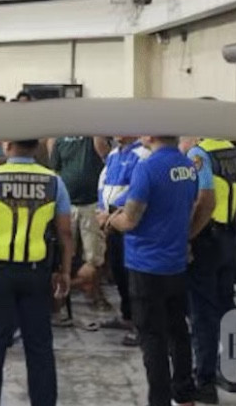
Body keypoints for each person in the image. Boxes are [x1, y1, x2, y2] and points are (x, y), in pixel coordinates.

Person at [0, 140, 72, 406]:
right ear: (35, 147)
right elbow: (65, 232)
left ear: (8, 145)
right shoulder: (54, 181)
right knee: (39, 347)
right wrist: (64, 271)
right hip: (36, 274)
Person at [105, 136, 214, 406]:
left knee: (152, 338)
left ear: (152, 134)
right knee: (178, 330)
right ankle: (184, 394)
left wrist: (110, 220)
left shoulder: (147, 168)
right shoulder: (187, 166)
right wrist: (186, 235)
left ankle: (160, 399)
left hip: (146, 265)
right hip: (175, 263)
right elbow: (200, 204)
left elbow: (131, 219)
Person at [185, 134, 236, 402]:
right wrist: (232, 223)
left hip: (207, 240)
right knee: (226, 304)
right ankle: (230, 371)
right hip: (229, 238)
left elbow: (205, 200)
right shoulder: (232, 152)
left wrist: (189, 236)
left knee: (202, 312)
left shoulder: (199, 154)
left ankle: (205, 380)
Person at [95, 135, 149, 345]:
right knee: (117, 270)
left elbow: (136, 190)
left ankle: (140, 324)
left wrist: (111, 212)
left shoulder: (142, 154)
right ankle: (127, 316)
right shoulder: (113, 155)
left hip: (126, 220)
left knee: (132, 276)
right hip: (111, 221)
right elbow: (103, 183)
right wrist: (102, 209)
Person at [48, 135, 111, 313]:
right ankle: (59, 300)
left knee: (95, 256)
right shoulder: (60, 139)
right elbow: (55, 171)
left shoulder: (94, 135)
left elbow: (105, 155)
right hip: (67, 205)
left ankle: (95, 294)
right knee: (63, 255)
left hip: (92, 203)